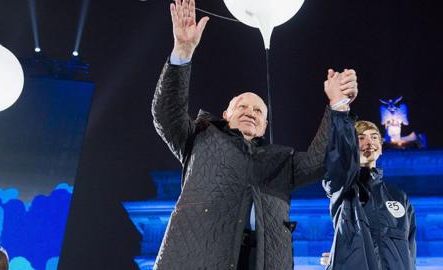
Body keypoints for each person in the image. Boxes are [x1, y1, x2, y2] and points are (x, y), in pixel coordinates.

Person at [151, 0, 358, 269]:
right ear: (226, 114)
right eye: (242, 107)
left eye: (258, 111)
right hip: (199, 257)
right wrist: (182, 53)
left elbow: (321, 159)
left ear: (264, 126)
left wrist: (337, 107)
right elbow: (165, 113)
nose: (251, 112)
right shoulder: (200, 137)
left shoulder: (281, 161)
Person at [322, 120, 416, 269]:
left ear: (381, 147)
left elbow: (410, 250)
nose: (369, 142)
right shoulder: (344, 187)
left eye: (374, 137)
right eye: (360, 138)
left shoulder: (398, 197)